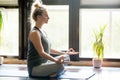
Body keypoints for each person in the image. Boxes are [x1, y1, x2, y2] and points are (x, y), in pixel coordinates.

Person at [27, 1, 78, 78]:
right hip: (35, 68)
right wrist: (56, 61)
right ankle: (56, 72)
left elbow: (49, 49)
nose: (48, 17)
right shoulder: (35, 33)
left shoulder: (42, 31)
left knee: (66, 57)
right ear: (39, 17)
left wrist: (65, 53)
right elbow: (41, 53)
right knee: (60, 66)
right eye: (46, 15)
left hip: (45, 64)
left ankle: (54, 72)